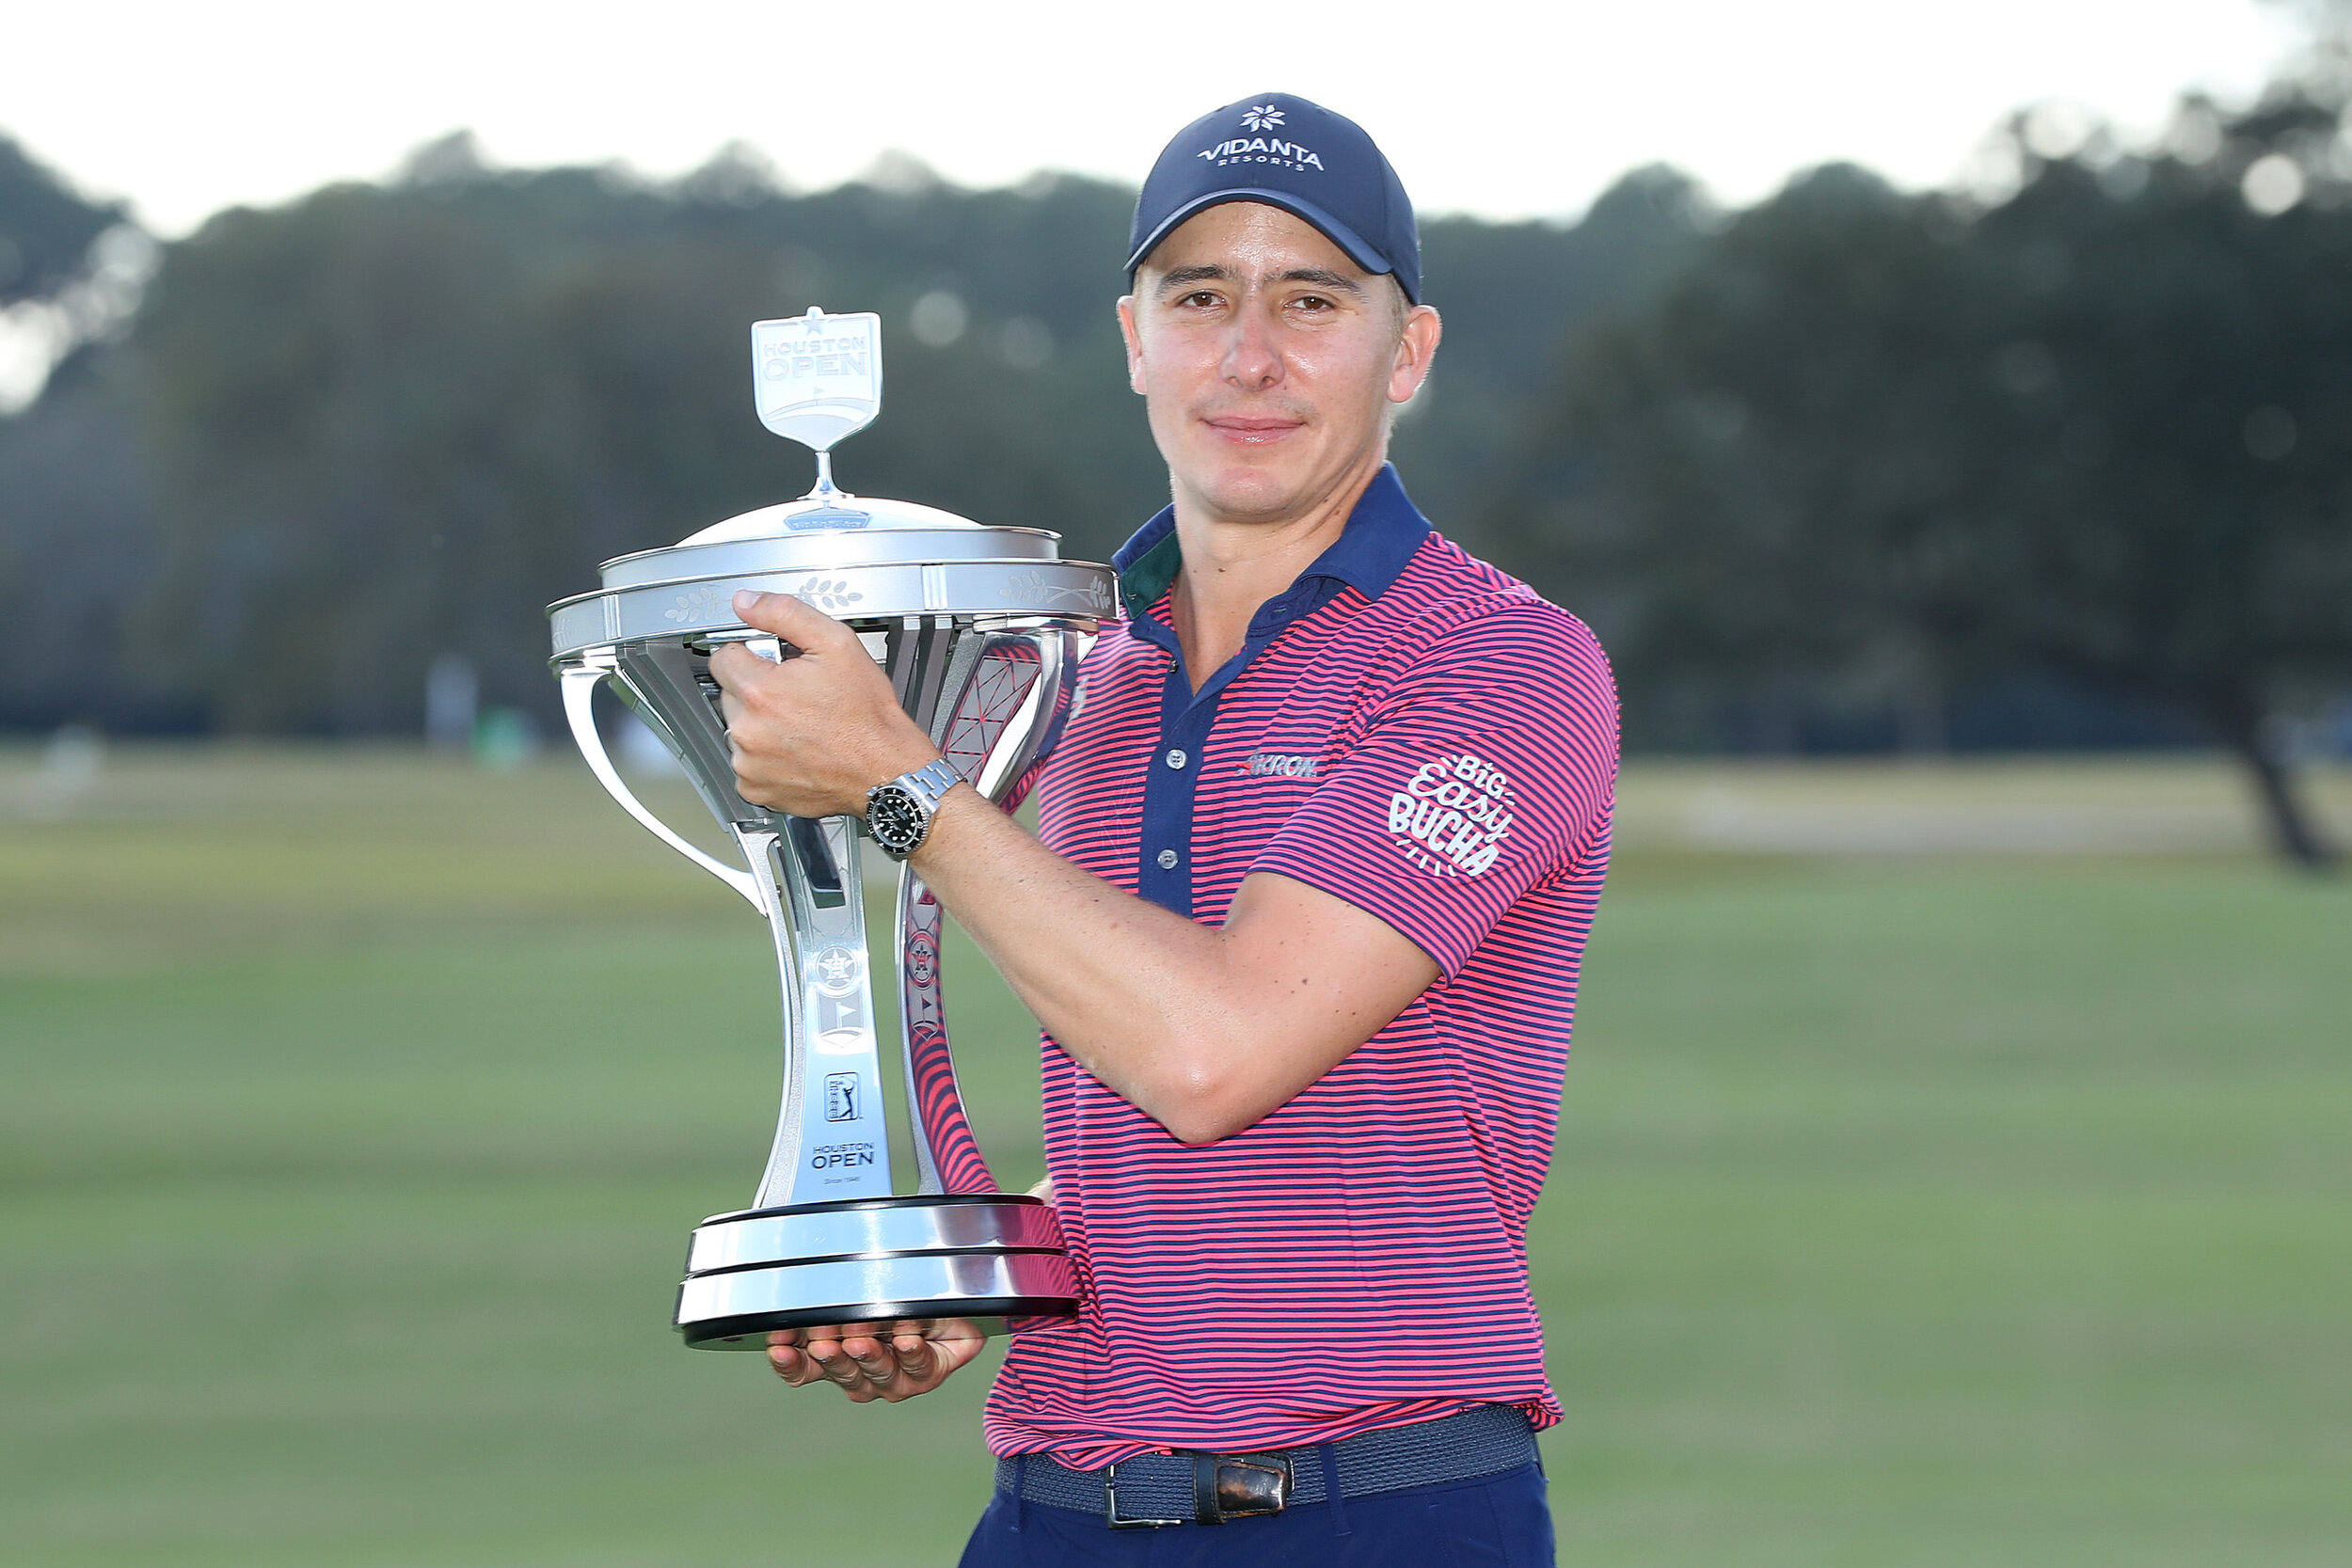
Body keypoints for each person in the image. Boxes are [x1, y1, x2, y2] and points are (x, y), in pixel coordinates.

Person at [712, 92, 1617, 1567]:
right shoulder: (1076, 682)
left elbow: (1219, 1052)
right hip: (1057, 1508)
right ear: (1134, 337)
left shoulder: (1501, 662)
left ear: (1411, 351)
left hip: (1375, 1510)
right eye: (1200, 298)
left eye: (1310, 300)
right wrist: (988, 1265)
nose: (1248, 354)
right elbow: (1155, 1121)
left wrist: (900, 782)